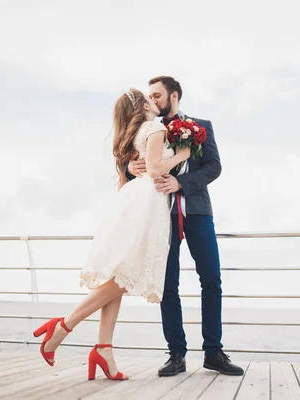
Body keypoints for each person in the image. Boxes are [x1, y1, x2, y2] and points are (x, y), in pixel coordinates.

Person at [33, 88, 190, 381]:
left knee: (117, 275)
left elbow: (133, 173)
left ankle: (104, 348)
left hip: (133, 199)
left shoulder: (132, 135)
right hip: (147, 201)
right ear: (143, 106)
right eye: (149, 98)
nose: (154, 102)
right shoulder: (155, 127)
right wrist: (181, 154)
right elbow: (156, 169)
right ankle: (63, 326)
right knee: (126, 275)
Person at [127, 76, 244, 376]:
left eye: (157, 95)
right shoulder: (146, 128)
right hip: (159, 215)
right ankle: (176, 354)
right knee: (167, 284)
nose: (151, 101)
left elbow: (214, 166)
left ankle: (214, 352)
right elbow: (129, 169)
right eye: (149, 96)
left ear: (174, 95)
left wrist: (181, 182)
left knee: (212, 280)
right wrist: (129, 167)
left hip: (198, 211)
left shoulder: (201, 125)